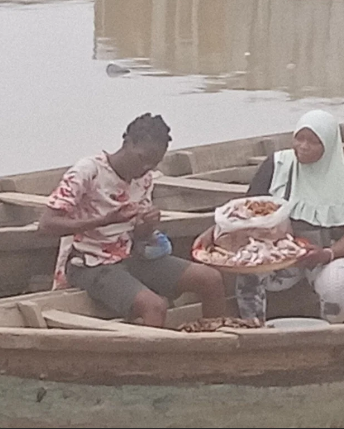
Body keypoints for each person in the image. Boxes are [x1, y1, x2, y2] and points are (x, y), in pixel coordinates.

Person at [38, 114, 226, 327]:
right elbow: (46, 225)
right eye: (141, 159)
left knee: (210, 279)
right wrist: (102, 221)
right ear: (127, 142)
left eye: (152, 164)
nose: (144, 167)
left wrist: (147, 225)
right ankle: (148, 360)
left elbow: (139, 236)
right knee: (154, 307)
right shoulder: (87, 172)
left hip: (131, 255)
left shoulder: (144, 179)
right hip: (89, 262)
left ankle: (213, 343)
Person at [235, 110, 344, 324]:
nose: (303, 146)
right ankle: (253, 330)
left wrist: (327, 254)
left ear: (329, 146)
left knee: (335, 286)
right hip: (279, 255)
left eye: (313, 142)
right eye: (299, 138)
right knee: (248, 274)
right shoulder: (277, 165)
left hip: (324, 256)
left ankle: (329, 334)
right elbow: (246, 210)